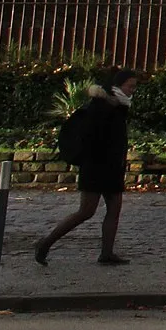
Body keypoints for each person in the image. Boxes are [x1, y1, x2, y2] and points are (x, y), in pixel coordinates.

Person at [34, 67, 138, 266]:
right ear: (118, 85)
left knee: (114, 209)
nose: (132, 90)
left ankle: (107, 253)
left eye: (134, 87)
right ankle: (45, 243)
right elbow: (92, 137)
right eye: (130, 86)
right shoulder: (101, 106)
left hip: (111, 167)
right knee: (86, 211)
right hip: (97, 166)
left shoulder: (119, 106)